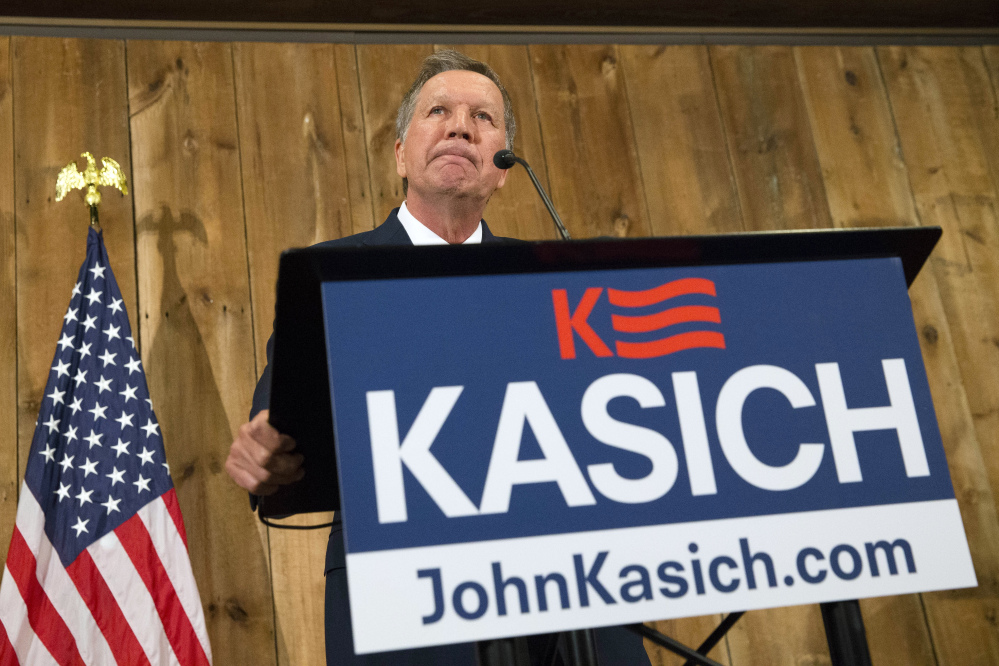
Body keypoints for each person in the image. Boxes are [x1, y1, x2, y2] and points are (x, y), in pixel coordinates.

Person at [225, 50, 651, 665]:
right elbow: (281, 415)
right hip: (402, 589)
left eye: (484, 117)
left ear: (502, 166)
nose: (461, 127)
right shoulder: (335, 274)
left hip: (568, 585)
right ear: (400, 153)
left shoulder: (555, 282)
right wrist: (267, 446)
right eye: (439, 112)